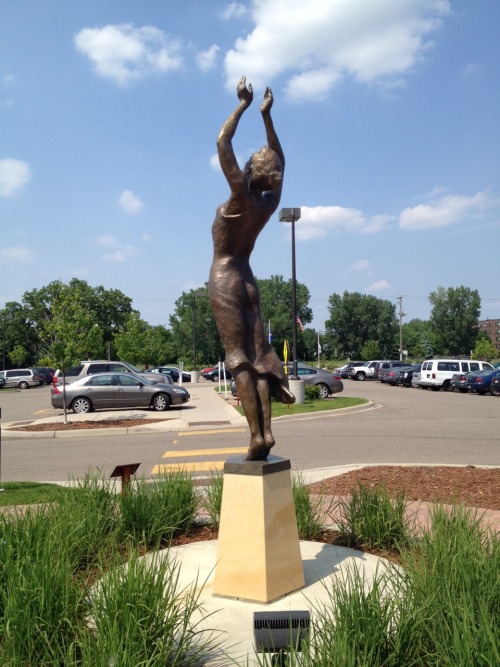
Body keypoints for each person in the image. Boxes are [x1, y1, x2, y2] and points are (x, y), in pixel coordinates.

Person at [208, 76, 295, 461]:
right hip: (248, 279)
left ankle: (256, 434)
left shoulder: (242, 195)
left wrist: (242, 106)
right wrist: (267, 117)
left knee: (239, 357)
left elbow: (222, 143)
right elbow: (282, 160)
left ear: (250, 173)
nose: (275, 173)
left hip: (226, 277)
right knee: (261, 356)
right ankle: (268, 432)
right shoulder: (267, 204)